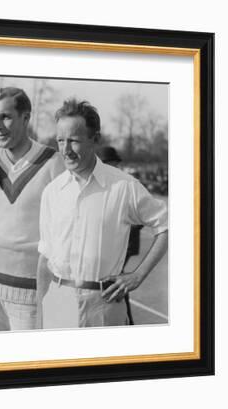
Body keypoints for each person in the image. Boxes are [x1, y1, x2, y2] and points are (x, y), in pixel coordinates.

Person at [36, 99, 168, 328]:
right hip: (56, 306)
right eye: (60, 140)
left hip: (103, 308)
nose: (65, 150)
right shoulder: (52, 192)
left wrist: (138, 275)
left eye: (74, 141)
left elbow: (167, 225)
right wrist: (40, 315)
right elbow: (45, 258)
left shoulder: (124, 186)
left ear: (94, 139)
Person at [0, 87, 65, 331]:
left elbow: (63, 231)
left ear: (25, 118)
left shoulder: (53, 162)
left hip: (31, 287)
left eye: (6, 117)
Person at [97, 146, 144, 325]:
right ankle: (126, 321)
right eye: (112, 164)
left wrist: (126, 228)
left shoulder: (125, 184)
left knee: (114, 282)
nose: (115, 167)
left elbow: (141, 217)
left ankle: (125, 322)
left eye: (115, 164)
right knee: (114, 282)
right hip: (111, 246)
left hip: (123, 245)